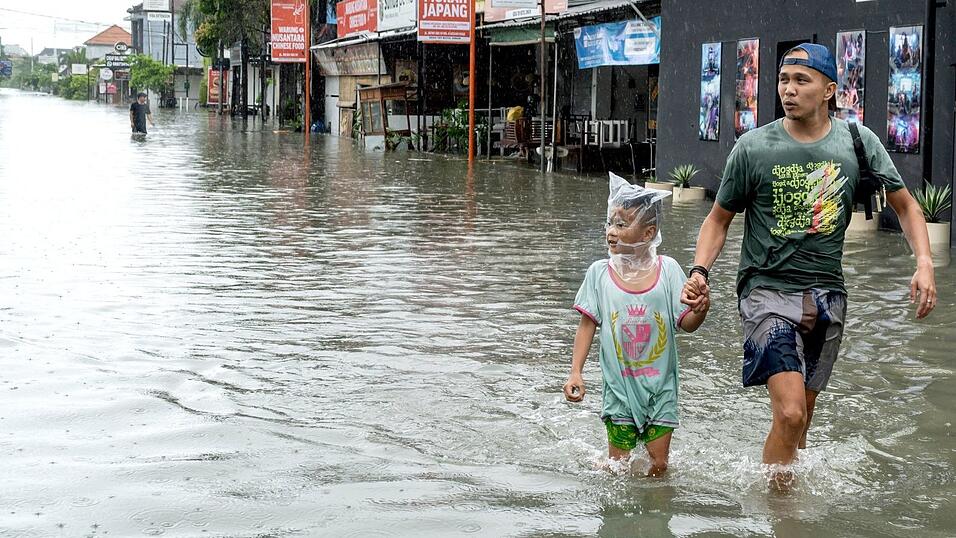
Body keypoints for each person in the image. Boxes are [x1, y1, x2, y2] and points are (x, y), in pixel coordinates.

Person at [680, 44, 937, 488]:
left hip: (826, 296)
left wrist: (925, 263)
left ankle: (784, 507)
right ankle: (779, 514)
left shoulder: (857, 142)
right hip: (765, 291)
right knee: (791, 411)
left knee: (800, 425)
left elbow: (907, 206)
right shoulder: (754, 147)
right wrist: (700, 272)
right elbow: (717, 219)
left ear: (829, 90)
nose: (789, 90)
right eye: (783, 80)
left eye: (802, 81)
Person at [563, 173, 709, 476]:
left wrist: (701, 309)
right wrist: (576, 371)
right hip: (619, 389)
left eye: (621, 224)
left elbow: (687, 323)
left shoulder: (667, 270)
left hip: (661, 389)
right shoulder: (599, 273)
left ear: (648, 233)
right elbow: (587, 324)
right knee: (619, 469)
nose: (611, 232)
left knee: (659, 466)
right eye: (610, 222)